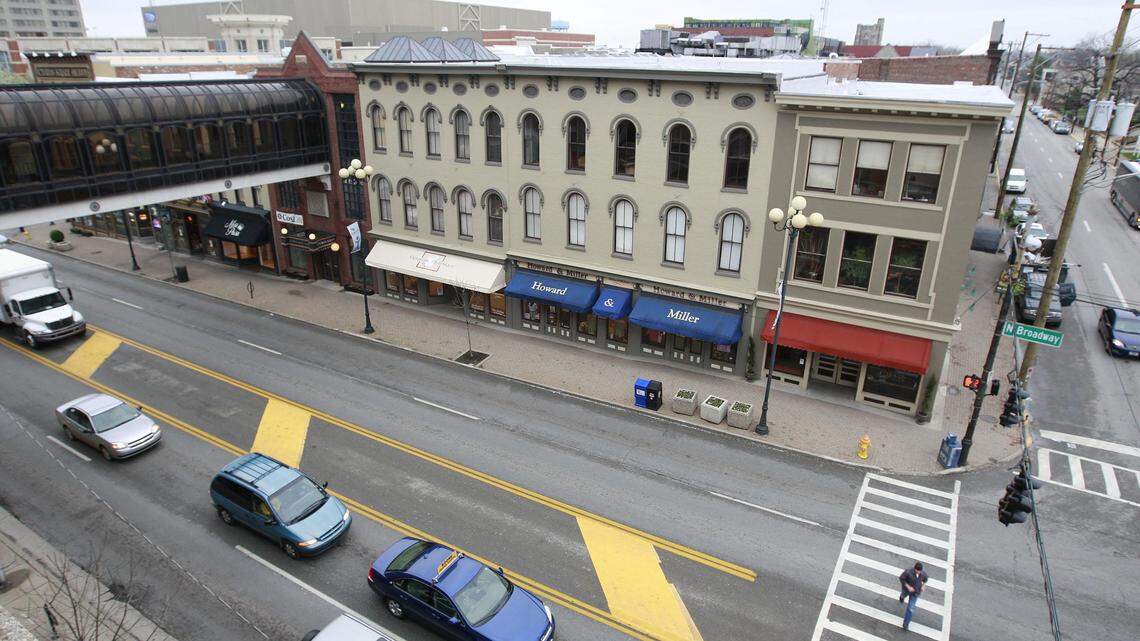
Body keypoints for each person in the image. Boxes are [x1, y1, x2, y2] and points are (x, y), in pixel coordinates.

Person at [898, 561, 928, 631]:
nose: (919, 573)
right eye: (917, 571)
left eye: (920, 571)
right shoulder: (908, 572)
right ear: (915, 569)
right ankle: (902, 597)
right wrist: (908, 587)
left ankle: (906, 623)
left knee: (911, 608)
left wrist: (923, 586)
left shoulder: (923, 573)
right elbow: (901, 578)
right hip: (906, 590)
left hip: (915, 592)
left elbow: (925, 580)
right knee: (903, 595)